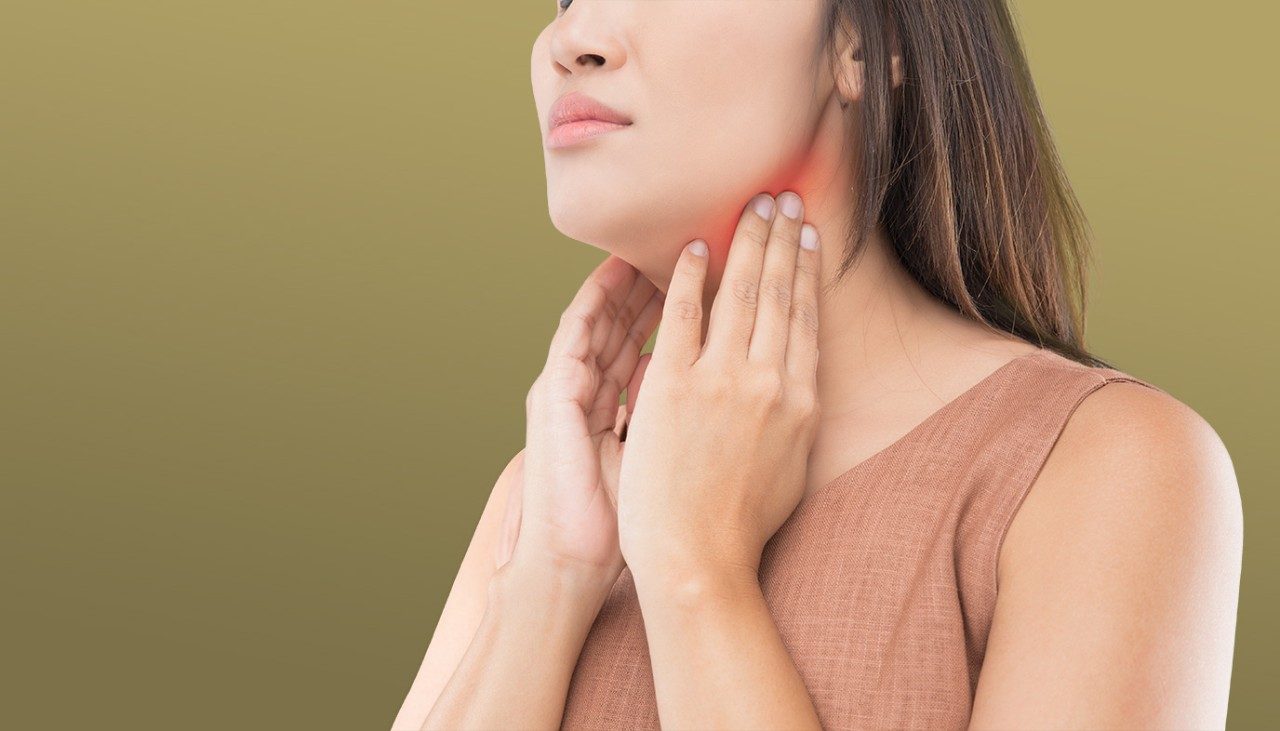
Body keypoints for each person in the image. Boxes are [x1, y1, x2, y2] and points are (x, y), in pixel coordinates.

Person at [393, 0, 1243, 728]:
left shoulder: (1104, 465)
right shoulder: (545, 497)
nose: (571, 38)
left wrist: (698, 571)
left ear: (863, 46)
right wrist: (549, 582)